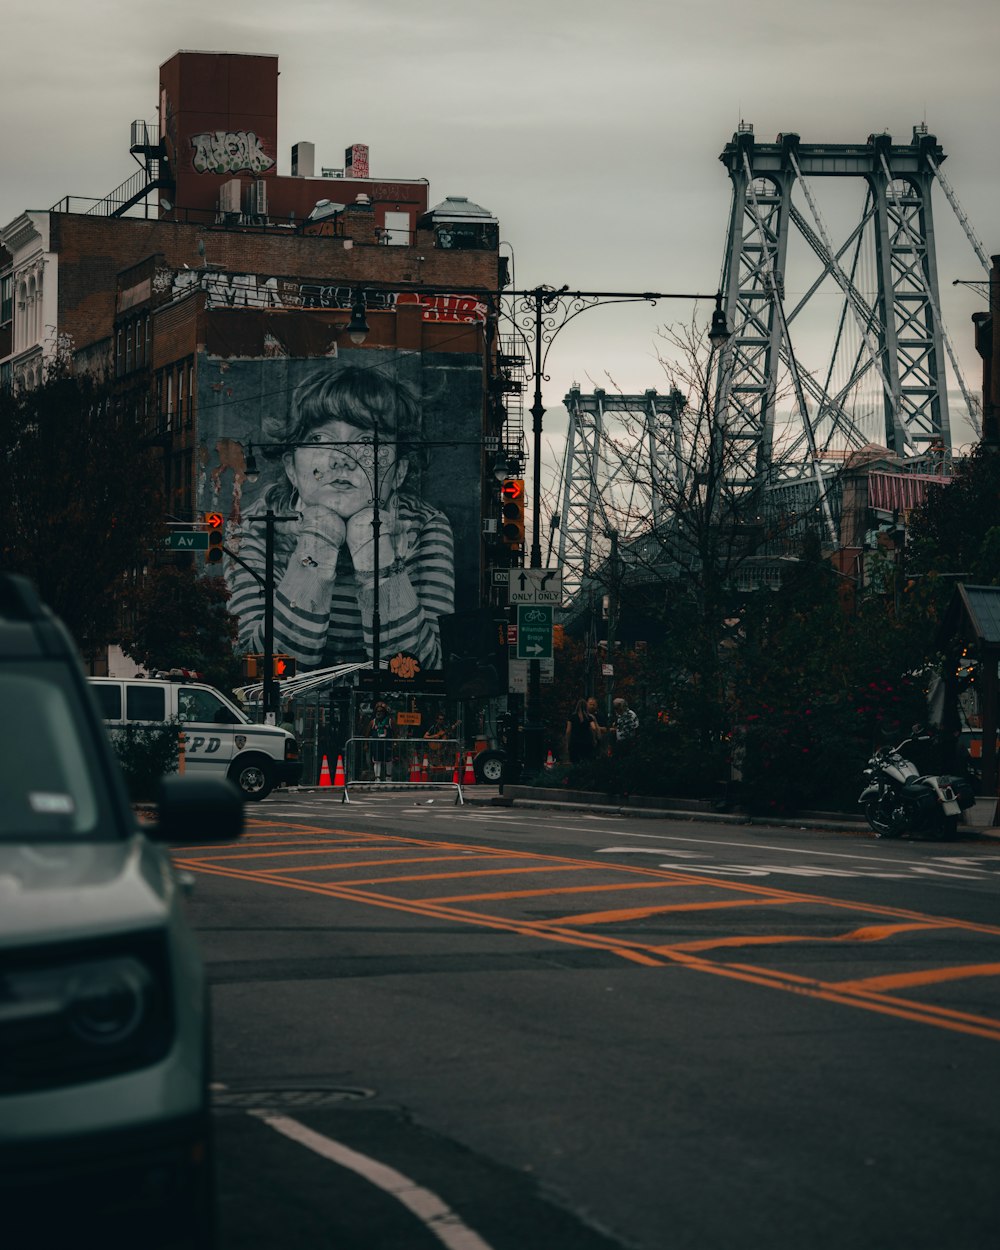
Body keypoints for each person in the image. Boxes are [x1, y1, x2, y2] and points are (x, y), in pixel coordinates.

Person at [227, 365, 455, 672]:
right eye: (321, 438)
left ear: (398, 472)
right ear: (291, 468)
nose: (341, 458)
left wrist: (372, 549)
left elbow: (424, 669)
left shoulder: (426, 527)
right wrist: (318, 540)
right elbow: (255, 667)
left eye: (365, 441)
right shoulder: (254, 527)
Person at [565, 698, 598, 764]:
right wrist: (594, 739)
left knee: (575, 762)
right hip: (587, 742)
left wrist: (567, 742)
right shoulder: (589, 717)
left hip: (575, 742)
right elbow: (594, 728)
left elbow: (568, 731)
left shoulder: (572, 717)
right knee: (587, 762)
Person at [367, 701, 394, 780]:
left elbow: (396, 732)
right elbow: (367, 733)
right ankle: (377, 778)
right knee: (377, 761)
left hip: (387, 744)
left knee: (388, 761)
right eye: (377, 711)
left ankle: (388, 777)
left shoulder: (390, 721)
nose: (379, 713)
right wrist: (366, 744)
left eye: (381, 711)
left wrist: (395, 743)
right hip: (377, 744)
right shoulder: (373, 722)